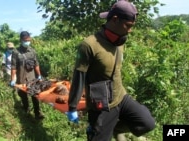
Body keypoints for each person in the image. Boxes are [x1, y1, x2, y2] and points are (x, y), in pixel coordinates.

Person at [66, 1, 155, 141]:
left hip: (120, 96)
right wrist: (72, 107)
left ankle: (115, 128)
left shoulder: (120, 41)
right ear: (115, 20)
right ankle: (102, 129)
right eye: (128, 26)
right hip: (102, 104)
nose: (130, 30)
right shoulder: (89, 45)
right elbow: (79, 77)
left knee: (146, 123)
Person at [10, 31, 44, 120]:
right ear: (21, 40)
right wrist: (13, 79)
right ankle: (27, 111)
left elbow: (36, 64)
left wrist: (39, 76)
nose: (27, 42)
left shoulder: (32, 51)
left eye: (28, 40)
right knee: (24, 97)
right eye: (25, 40)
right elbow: (13, 67)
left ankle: (37, 113)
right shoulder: (16, 52)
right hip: (21, 79)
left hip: (32, 78)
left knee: (35, 96)